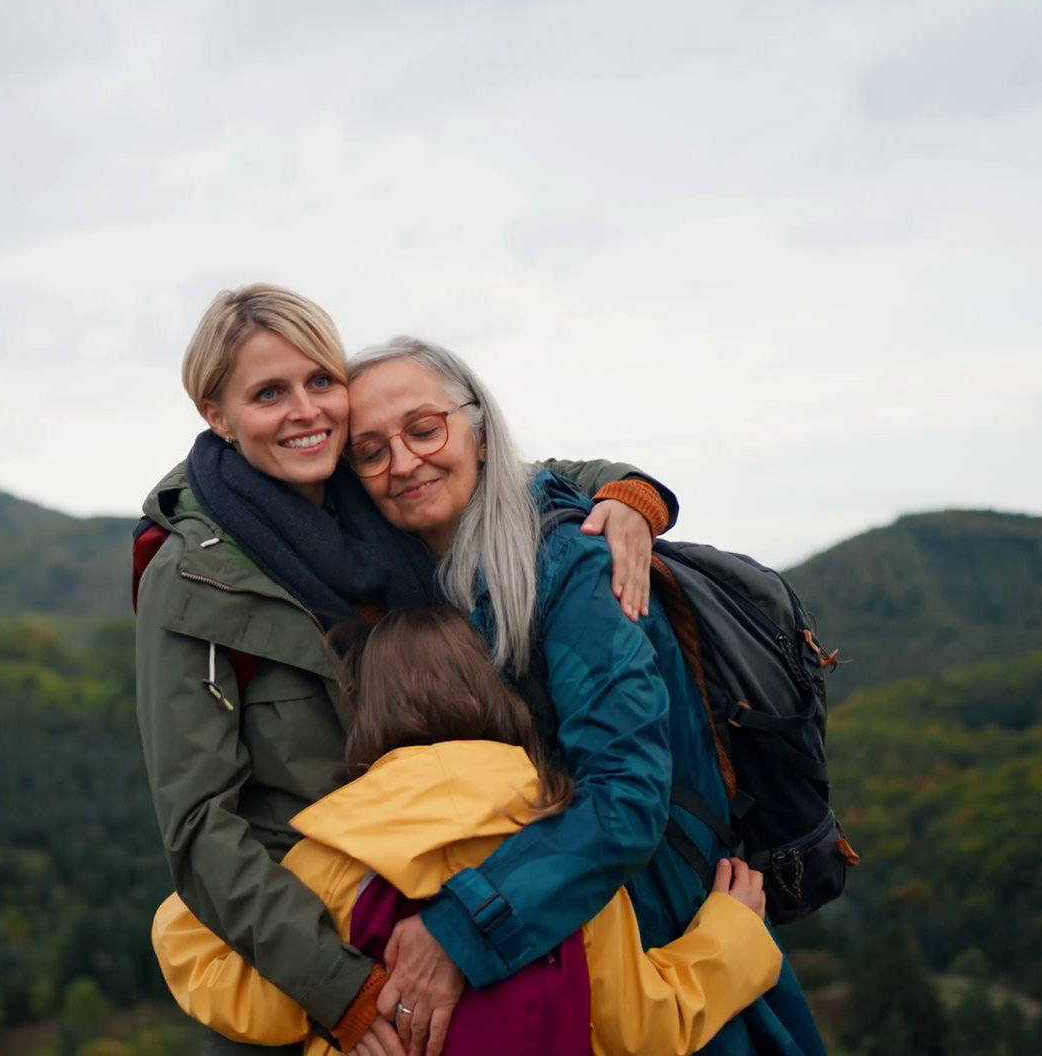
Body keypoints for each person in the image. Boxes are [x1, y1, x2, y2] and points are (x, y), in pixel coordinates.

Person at [135, 285, 680, 1056]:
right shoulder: (196, 577)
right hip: (312, 960)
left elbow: (501, 466)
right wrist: (341, 990)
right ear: (217, 415)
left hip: (462, 908)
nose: (304, 411)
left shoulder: (365, 491)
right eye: (268, 393)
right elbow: (199, 828)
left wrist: (627, 491)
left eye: (320, 381)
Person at [343, 337, 826, 1056]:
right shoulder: (415, 586)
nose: (404, 462)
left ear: (478, 431)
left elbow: (628, 796)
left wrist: (459, 931)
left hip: (665, 951)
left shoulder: (570, 565)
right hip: (555, 953)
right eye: (371, 450)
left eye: (423, 429)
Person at [152, 604, 785, 1056]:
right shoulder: (562, 852)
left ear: (362, 715)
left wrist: (196, 900)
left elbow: (252, 1001)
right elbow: (643, 1027)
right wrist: (732, 931)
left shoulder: (328, 859)